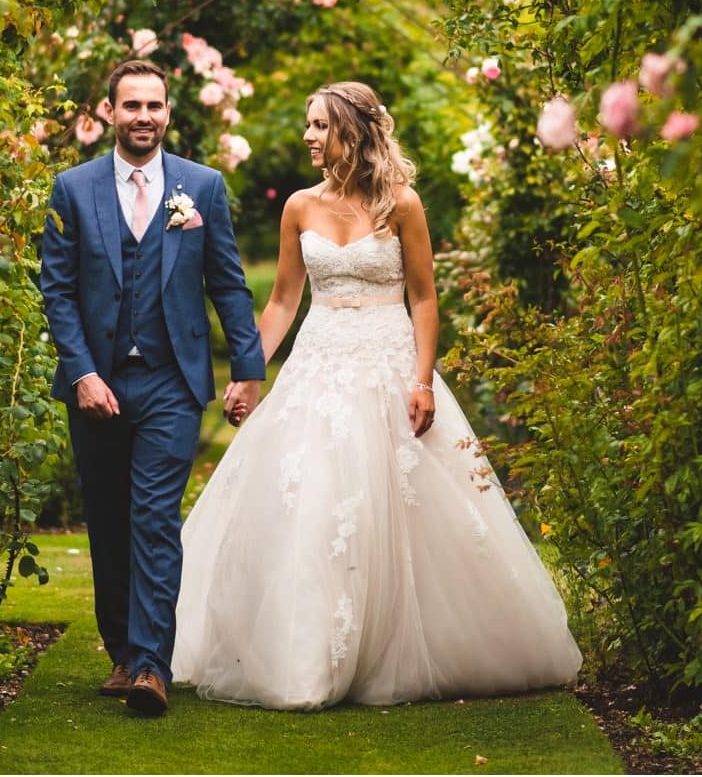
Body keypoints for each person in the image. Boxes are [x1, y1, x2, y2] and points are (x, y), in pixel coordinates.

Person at [172, 81, 583, 709]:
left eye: (318, 125)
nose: (307, 136)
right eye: (307, 125)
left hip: (390, 365)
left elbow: (423, 297)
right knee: (313, 502)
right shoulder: (299, 207)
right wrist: (248, 373)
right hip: (319, 363)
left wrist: (422, 382)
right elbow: (284, 299)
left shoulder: (403, 205)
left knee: (398, 503)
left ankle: (403, 648)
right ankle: (307, 655)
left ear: (351, 131)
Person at [38, 58, 267, 717]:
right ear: (109, 113)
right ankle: (120, 648)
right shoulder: (72, 190)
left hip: (172, 380)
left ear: (169, 113)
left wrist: (247, 370)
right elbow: (57, 290)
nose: (144, 117)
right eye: (131, 106)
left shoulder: (203, 187)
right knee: (109, 523)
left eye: (154, 106)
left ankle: (149, 666)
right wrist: (82, 373)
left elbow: (227, 282)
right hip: (98, 383)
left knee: (155, 520)